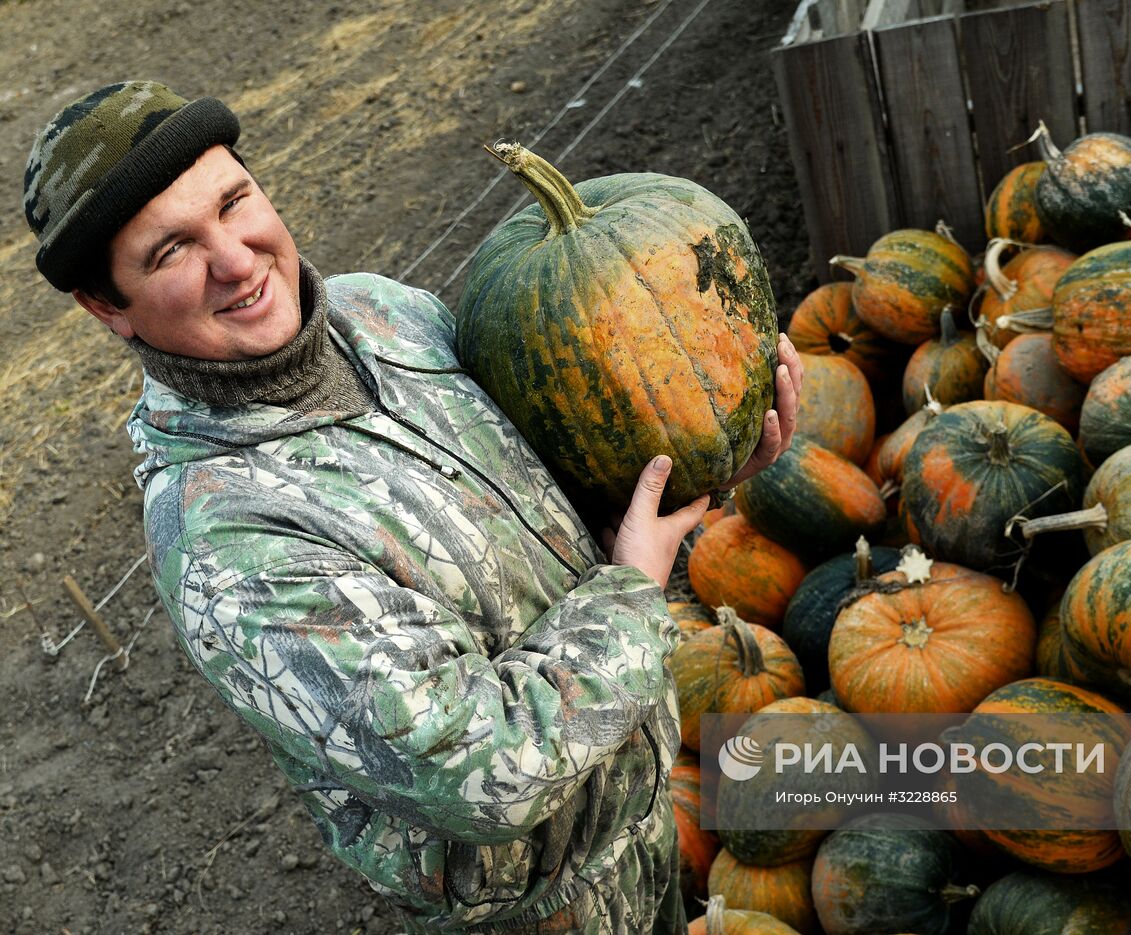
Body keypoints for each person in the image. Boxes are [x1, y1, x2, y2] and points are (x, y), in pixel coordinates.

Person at [22, 80, 802, 933]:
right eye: (172, 250)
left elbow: (549, 483)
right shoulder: (230, 543)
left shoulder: (380, 311)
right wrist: (631, 595)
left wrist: (699, 462)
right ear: (106, 307)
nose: (238, 260)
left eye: (234, 202)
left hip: (642, 822)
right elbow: (485, 769)